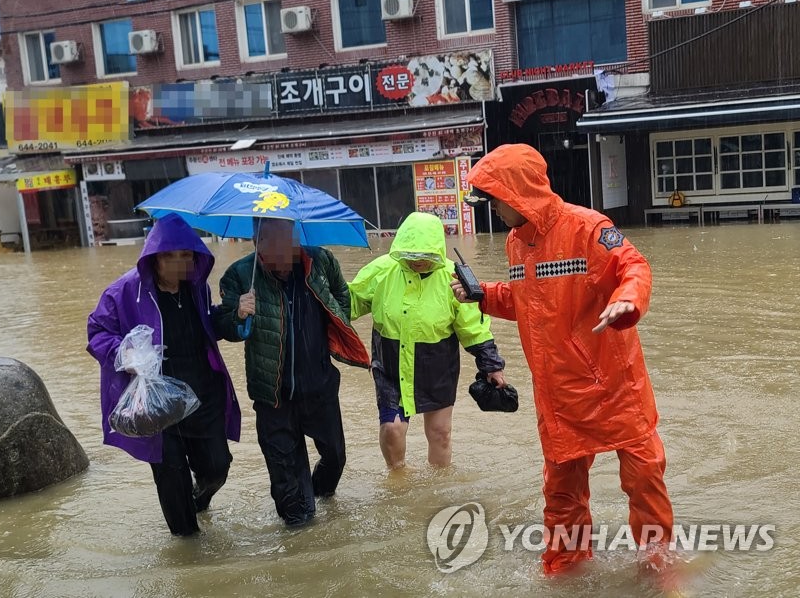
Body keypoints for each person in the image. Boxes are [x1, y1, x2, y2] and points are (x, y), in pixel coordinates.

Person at [453, 143, 674, 576]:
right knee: (560, 495)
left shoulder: (587, 228)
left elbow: (634, 268)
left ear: (517, 194)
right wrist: (483, 295)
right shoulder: (517, 243)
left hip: (613, 386)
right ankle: (565, 570)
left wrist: (626, 302)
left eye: (494, 200)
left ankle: (659, 565)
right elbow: (527, 301)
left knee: (644, 480)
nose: (491, 210)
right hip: (556, 395)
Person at [87, 213, 242, 537]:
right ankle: (189, 552)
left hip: (201, 394)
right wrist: (124, 353)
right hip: (155, 402)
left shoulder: (198, 288)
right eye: (171, 256)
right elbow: (98, 331)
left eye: (186, 256)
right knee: (171, 478)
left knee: (217, 467)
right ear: (154, 259)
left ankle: (199, 500)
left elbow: (207, 326)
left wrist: (235, 315)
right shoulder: (124, 291)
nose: (179, 264)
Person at [215, 217, 370, 528]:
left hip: (320, 386)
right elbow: (224, 328)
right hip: (273, 396)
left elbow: (343, 298)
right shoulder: (240, 275)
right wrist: (238, 313)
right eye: (272, 244)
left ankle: (316, 495)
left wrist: (332, 328)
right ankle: (301, 527)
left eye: (288, 241)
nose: (284, 254)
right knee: (290, 494)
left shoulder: (320, 261)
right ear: (257, 244)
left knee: (335, 457)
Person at [348, 212, 507, 470]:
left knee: (440, 433)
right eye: (411, 255)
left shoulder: (453, 278)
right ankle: (397, 477)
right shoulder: (381, 271)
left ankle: (440, 487)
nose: (418, 261)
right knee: (392, 428)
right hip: (391, 363)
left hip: (437, 365)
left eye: (425, 255)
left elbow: (473, 327)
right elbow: (348, 303)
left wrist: (492, 365)